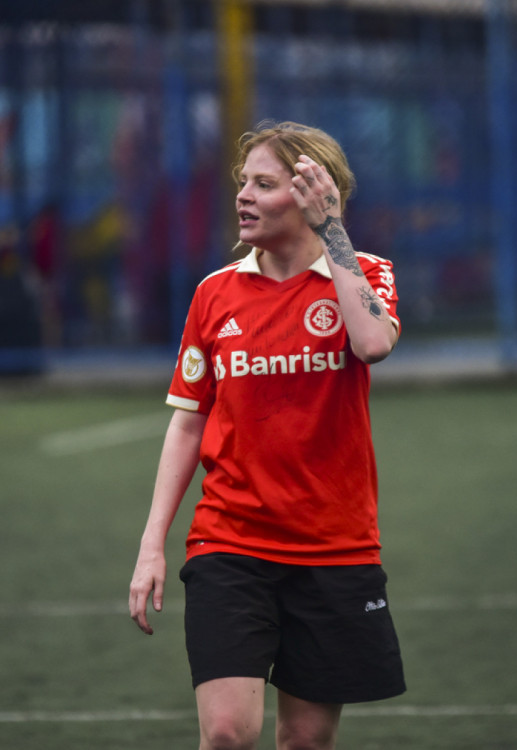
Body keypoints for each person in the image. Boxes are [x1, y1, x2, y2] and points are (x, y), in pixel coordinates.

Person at [128, 122, 404, 750]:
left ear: (313, 195)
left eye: (265, 184)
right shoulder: (215, 294)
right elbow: (188, 422)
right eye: (243, 182)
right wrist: (152, 545)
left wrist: (332, 231)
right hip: (230, 542)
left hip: (335, 546)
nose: (243, 197)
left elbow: (372, 343)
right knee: (227, 733)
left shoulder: (365, 275)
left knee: (305, 739)